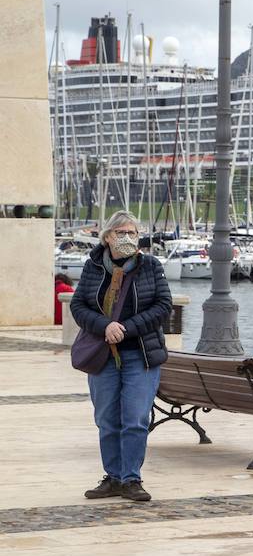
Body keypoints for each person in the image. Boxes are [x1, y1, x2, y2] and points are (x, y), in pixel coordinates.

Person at [69, 211, 173, 503]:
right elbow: (78, 306)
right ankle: (113, 477)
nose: (127, 238)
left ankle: (131, 479)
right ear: (107, 237)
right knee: (106, 419)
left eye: (132, 233)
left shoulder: (150, 266)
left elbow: (163, 306)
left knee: (135, 418)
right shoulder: (93, 267)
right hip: (103, 355)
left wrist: (124, 329)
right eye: (121, 233)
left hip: (140, 355)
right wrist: (105, 326)